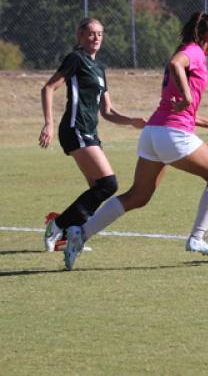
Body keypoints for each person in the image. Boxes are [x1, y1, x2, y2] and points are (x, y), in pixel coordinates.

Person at [63, 11, 208, 270]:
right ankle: (197, 238)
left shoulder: (192, 53)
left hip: (153, 132)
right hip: (172, 135)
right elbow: (176, 64)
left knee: (138, 196)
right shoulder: (194, 52)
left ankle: (80, 233)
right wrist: (186, 97)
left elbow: (177, 107)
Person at [39, 18, 146, 252]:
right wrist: (48, 123)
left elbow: (107, 111)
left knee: (97, 188)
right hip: (75, 128)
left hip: (89, 131)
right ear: (80, 36)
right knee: (109, 184)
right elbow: (48, 88)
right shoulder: (75, 59)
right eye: (90, 33)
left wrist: (131, 122)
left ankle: (69, 236)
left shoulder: (99, 68)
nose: (96, 37)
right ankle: (57, 226)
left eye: (100, 34)